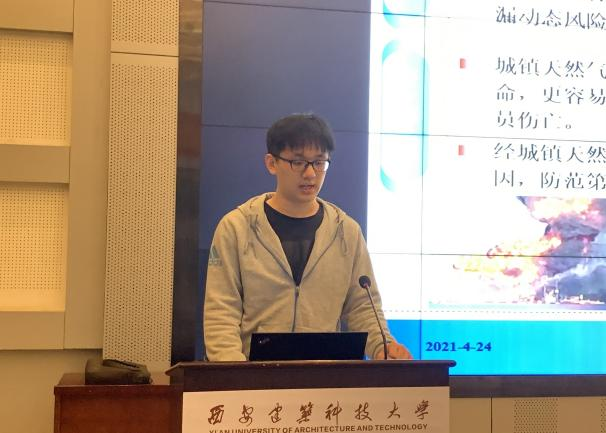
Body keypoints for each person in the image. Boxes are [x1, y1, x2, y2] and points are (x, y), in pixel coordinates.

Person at [203, 113, 412, 361]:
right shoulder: (237, 227)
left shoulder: (346, 231)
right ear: (272, 163)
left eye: (319, 162)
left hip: (325, 378)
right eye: (299, 162)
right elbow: (221, 314)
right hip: (254, 376)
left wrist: (382, 348)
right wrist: (235, 375)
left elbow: (363, 307)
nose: (311, 174)